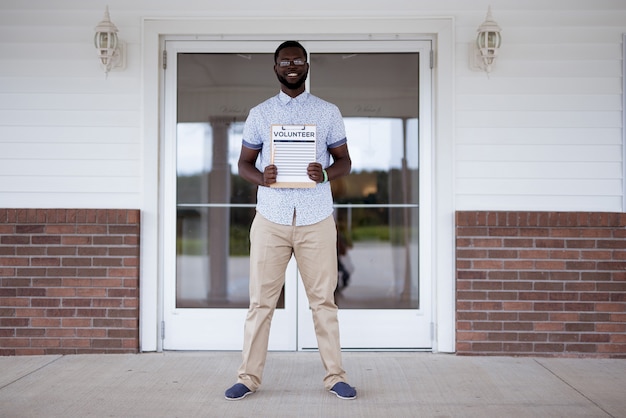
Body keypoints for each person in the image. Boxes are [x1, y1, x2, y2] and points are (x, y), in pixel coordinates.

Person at [224, 40, 357, 401]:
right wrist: (261, 177)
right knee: (261, 302)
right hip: (271, 218)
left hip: (316, 217)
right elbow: (243, 165)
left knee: (324, 301)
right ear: (276, 68)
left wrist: (326, 174)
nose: (292, 66)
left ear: (307, 65)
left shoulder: (328, 112)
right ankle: (248, 377)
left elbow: (344, 161)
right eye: (285, 61)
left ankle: (335, 376)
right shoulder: (260, 113)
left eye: (298, 60)